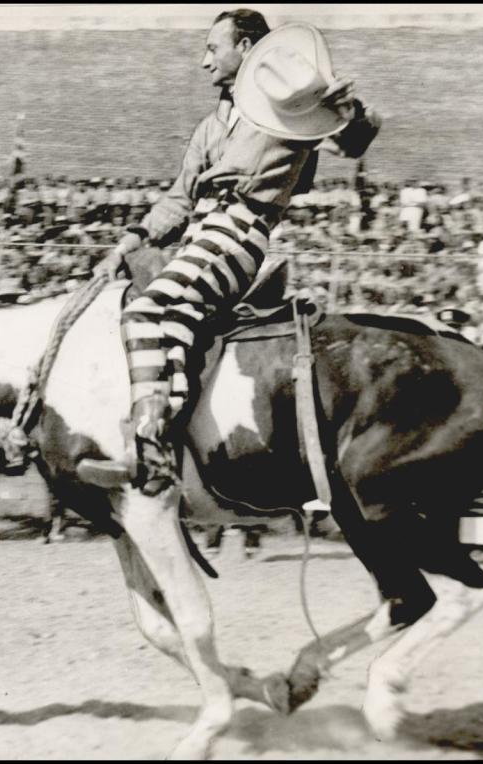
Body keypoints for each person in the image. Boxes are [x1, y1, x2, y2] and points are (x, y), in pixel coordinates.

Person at [86, 10, 381, 495]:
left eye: (212, 49)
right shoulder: (210, 125)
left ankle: (146, 443)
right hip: (201, 235)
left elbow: (353, 141)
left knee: (144, 313)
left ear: (245, 50)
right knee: (175, 326)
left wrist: (353, 111)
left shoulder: (287, 110)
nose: (205, 62)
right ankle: (162, 445)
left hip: (238, 232)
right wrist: (128, 242)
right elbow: (179, 198)